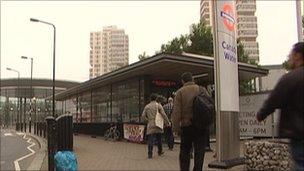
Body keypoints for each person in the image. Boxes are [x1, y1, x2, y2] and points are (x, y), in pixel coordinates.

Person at [256, 42, 304, 171]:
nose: (290, 57)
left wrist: (261, 114)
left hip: (299, 134)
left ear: (298, 56)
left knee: (300, 164)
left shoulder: (291, 78)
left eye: (292, 55)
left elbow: (274, 100)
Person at [172, 72, 208, 171]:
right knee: (199, 151)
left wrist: (176, 129)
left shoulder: (180, 92)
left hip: (187, 126)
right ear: (192, 79)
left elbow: (176, 112)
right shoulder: (202, 90)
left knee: (185, 151)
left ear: (183, 81)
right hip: (201, 126)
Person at [142, 93, 170, 159]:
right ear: (156, 99)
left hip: (150, 124)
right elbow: (163, 114)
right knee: (159, 138)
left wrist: (148, 120)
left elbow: (143, 116)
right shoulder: (158, 106)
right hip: (158, 124)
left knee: (150, 140)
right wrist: (167, 122)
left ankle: (150, 154)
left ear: (150, 99)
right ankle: (160, 151)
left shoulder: (147, 106)